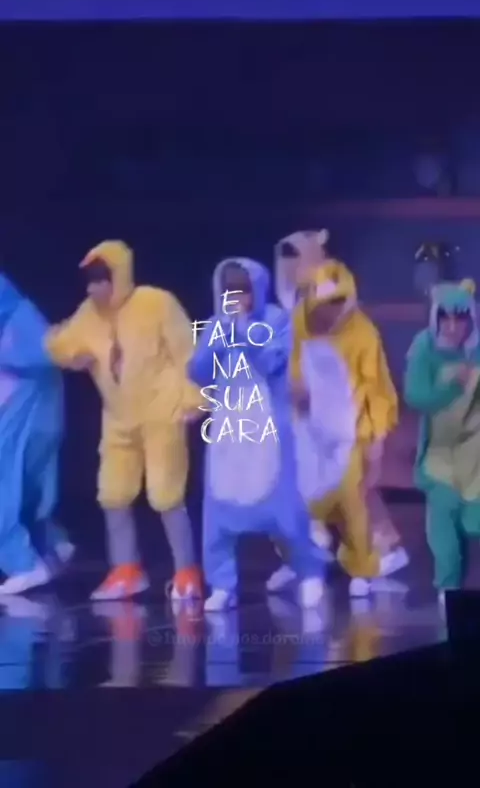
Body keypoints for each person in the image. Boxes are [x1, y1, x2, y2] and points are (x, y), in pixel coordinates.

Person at [45, 240, 202, 602]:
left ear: (119, 276)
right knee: (113, 492)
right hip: (118, 416)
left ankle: (186, 571)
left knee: (165, 493)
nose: (94, 289)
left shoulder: (155, 303)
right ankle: (126, 569)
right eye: (90, 282)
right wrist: (72, 355)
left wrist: (193, 397)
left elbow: (186, 351)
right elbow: (61, 342)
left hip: (161, 409)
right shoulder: (89, 314)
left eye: (101, 280)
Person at [188, 257, 325, 612]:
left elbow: (273, 362)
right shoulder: (216, 323)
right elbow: (199, 372)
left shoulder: (277, 320)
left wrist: (245, 333)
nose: (237, 298)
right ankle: (222, 584)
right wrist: (219, 337)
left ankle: (309, 571)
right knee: (219, 510)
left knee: (285, 509)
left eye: (243, 291)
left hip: (268, 427)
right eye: (230, 291)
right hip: (229, 428)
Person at [271, 232, 408, 582]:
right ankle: (304, 556)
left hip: (351, 429)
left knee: (357, 491)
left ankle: (380, 553)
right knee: (302, 490)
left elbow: (377, 387)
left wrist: (377, 437)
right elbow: (292, 365)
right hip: (310, 427)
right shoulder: (299, 320)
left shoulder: (362, 332)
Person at [404, 279, 480, 605]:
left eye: (459, 319)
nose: (452, 327)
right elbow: (416, 396)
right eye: (445, 318)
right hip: (440, 459)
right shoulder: (424, 347)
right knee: (444, 535)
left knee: (472, 522)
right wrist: (453, 386)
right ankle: (448, 592)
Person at [0, 273, 72, 596]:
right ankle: (50, 547)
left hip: (24, 396)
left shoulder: (18, 326)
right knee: (29, 483)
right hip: (33, 395)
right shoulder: (22, 318)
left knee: (13, 481)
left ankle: (25, 563)